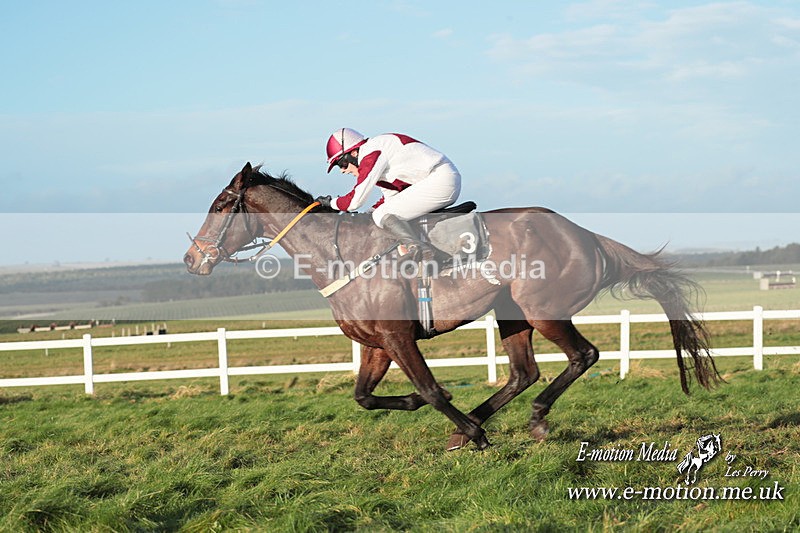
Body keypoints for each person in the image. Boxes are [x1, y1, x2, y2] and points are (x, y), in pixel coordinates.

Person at [316, 128, 461, 258]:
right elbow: (391, 197)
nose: (343, 170)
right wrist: (368, 213)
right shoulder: (376, 153)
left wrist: (331, 203)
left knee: (380, 215)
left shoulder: (371, 153)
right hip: (439, 180)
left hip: (440, 180)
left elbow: (354, 202)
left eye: (342, 164)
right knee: (379, 214)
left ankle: (418, 249)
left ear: (353, 153)